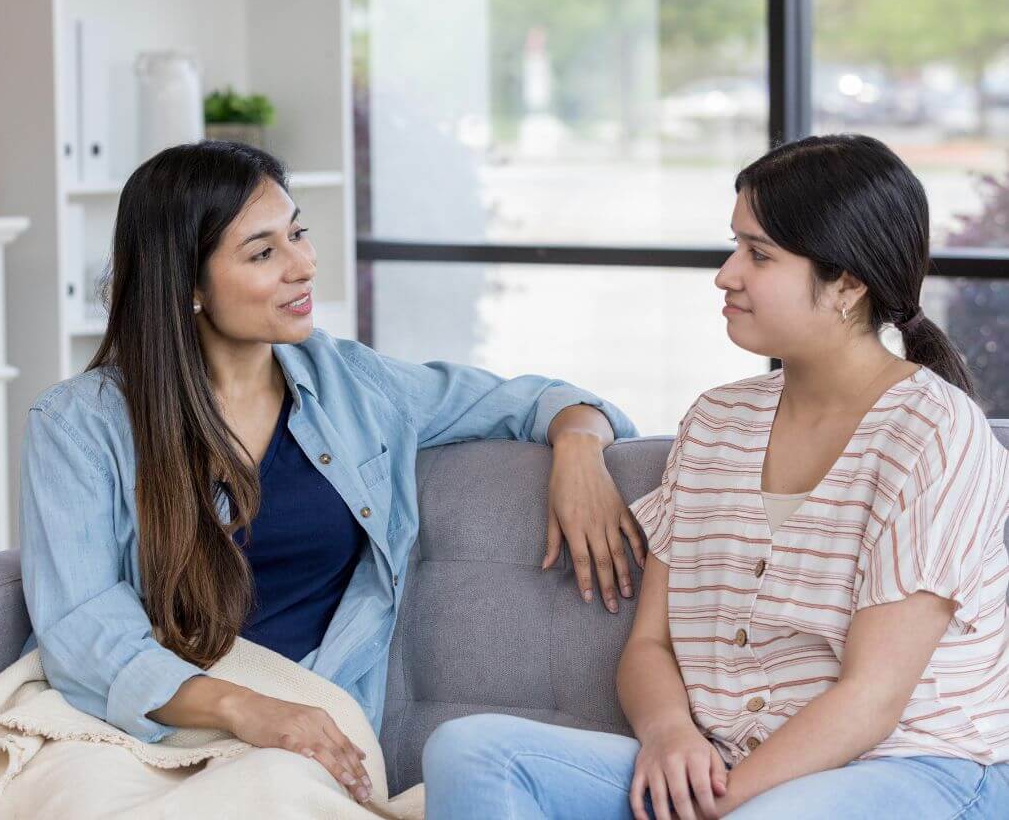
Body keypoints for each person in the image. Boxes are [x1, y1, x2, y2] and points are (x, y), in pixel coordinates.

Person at [19, 141, 639, 804]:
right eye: (263, 252)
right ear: (188, 285)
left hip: (303, 729)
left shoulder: (353, 386)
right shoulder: (78, 424)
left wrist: (578, 450)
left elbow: (539, 400)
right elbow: (83, 623)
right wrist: (243, 708)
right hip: (147, 723)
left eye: (298, 234)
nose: (304, 266)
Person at [422, 134, 1009, 819]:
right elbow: (651, 644)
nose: (727, 274)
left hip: (916, 766)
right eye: (736, 245)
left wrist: (728, 801)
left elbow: (872, 700)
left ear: (847, 283)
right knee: (469, 750)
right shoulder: (716, 422)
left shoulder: (934, 432)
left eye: (758, 254)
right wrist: (670, 734)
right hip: (727, 763)